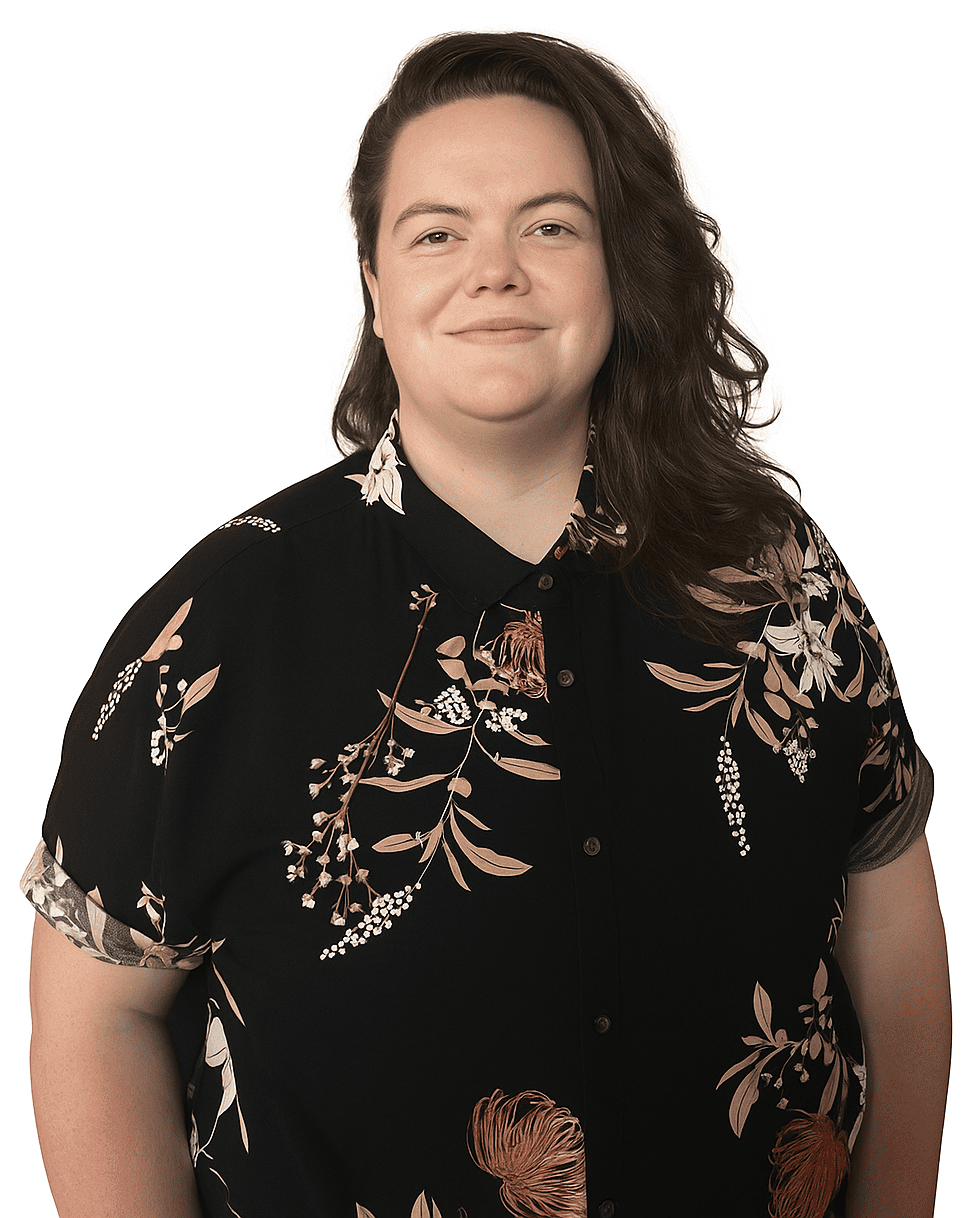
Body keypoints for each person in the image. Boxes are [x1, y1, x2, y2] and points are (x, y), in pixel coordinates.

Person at [23, 29, 950, 1218]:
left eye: (551, 226)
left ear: (622, 266)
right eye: (437, 233)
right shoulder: (215, 629)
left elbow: (896, 959)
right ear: (374, 285)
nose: (495, 272)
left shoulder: (779, 580)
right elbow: (94, 1012)